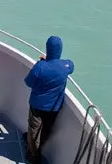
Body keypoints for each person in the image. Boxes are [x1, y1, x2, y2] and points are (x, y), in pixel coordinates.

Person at [23, 36, 74, 164]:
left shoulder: (40, 67)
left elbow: (28, 82)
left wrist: (44, 61)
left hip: (37, 106)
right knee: (46, 130)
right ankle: (38, 148)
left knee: (34, 130)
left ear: (47, 49)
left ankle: (33, 156)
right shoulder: (65, 66)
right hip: (54, 107)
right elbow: (71, 65)